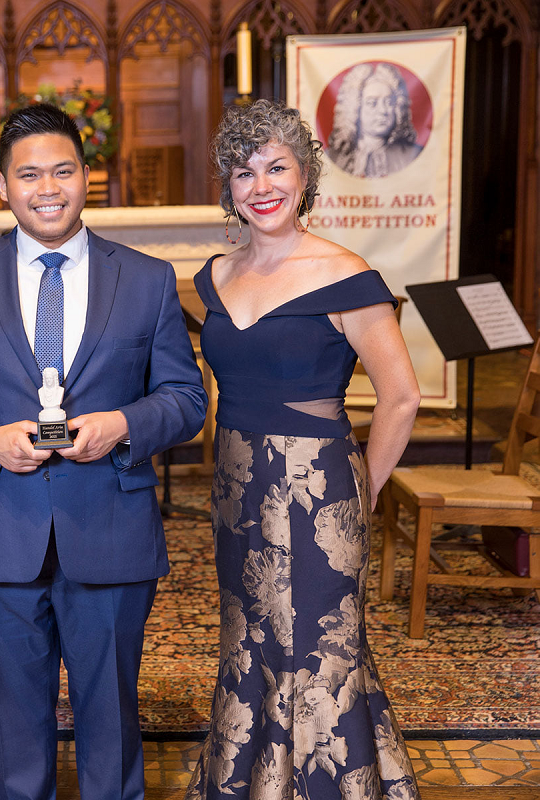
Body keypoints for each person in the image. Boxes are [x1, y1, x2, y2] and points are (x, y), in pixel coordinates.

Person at [0, 104, 206, 800]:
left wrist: (122, 424)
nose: (48, 187)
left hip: (109, 525)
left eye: (63, 171)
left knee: (111, 716)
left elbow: (187, 399)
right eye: (30, 173)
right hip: (0, 530)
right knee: (14, 724)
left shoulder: (147, 278)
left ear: (87, 176)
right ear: (4, 186)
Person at [185, 100, 422, 799]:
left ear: (305, 175)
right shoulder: (217, 278)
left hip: (319, 494)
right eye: (242, 171)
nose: (260, 185)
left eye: (276, 167)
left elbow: (401, 396)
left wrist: (362, 494)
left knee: (319, 656)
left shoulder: (345, 275)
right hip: (235, 492)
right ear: (229, 186)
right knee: (249, 646)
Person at [326, 61, 424, 179]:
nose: (383, 111)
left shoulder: (413, 156)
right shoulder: (331, 159)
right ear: (355, 108)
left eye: (388, 102)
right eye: (372, 103)